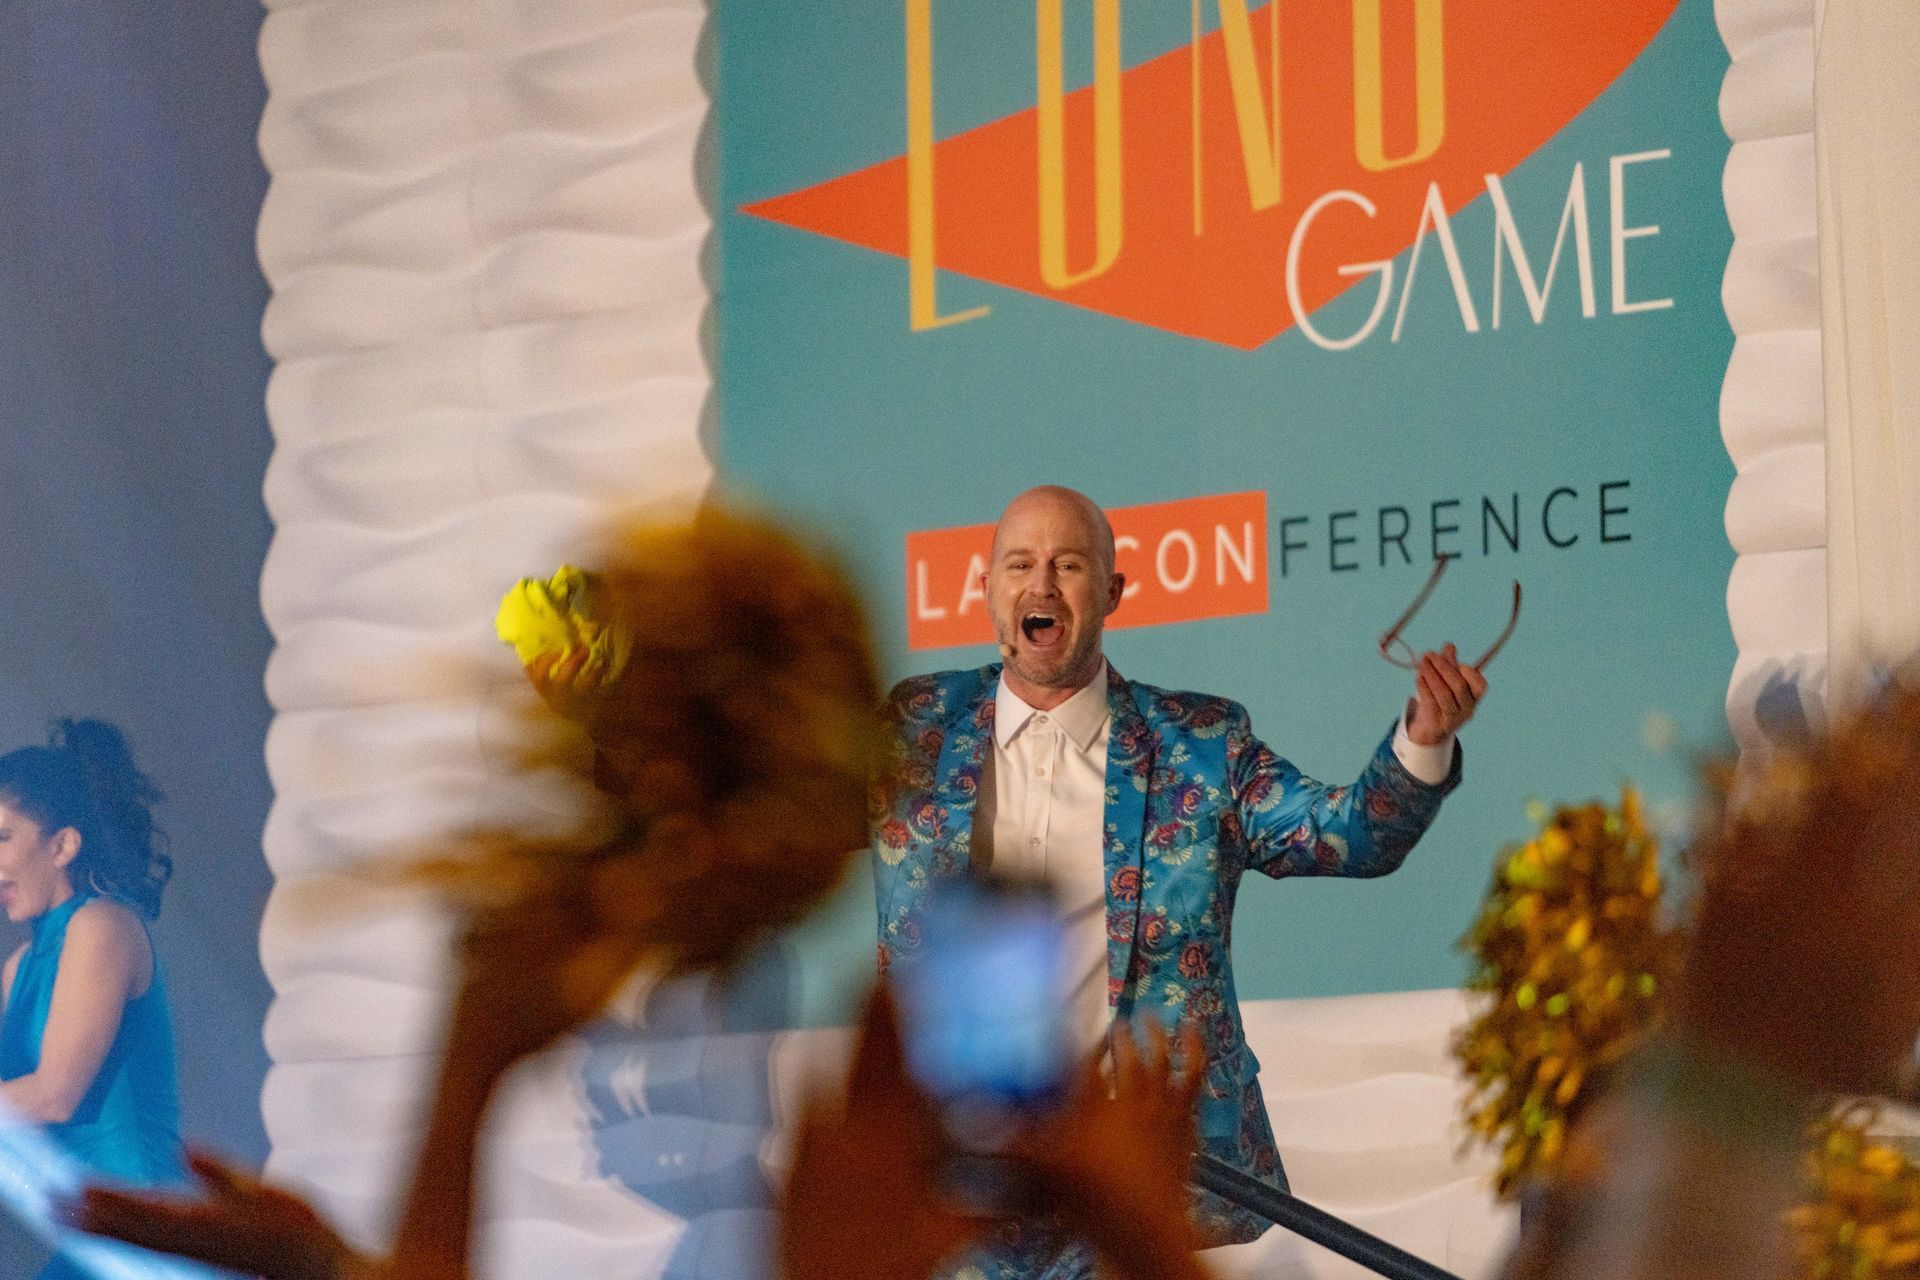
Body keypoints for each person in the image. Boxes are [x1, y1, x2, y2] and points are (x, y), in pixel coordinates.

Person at [871, 485, 1488, 1275]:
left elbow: (1349, 834)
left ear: (1113, 592)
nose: (1042, 584)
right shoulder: (917, 730)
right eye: (1020, 564)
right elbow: (785, 815)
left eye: (1069, 565)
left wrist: (1423, 740)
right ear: (986, 588)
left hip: (1152, 1192)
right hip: (959, 1200)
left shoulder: (1201, 744)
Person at [0, 718, 184, 1187]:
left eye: (2, 838)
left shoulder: (100, 925)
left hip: (142, 1215)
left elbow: (53, 1097)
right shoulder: (19, 967)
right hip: (75, 1215)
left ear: (63, 845)